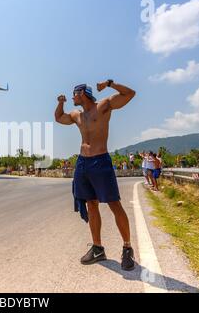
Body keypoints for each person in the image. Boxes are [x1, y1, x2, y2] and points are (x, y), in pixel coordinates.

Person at [55, 80, 136, 271]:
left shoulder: (103, 106)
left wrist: (110, 84)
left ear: (82, 93)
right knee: (91, 203)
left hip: (101, 161)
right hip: (83, 163)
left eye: (73, 94)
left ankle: (127, 248)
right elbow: (59, 118)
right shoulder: (77, 115)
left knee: (114, 204)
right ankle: (98, 248)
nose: (72, 97)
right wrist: (60, 102)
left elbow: (130, 94)